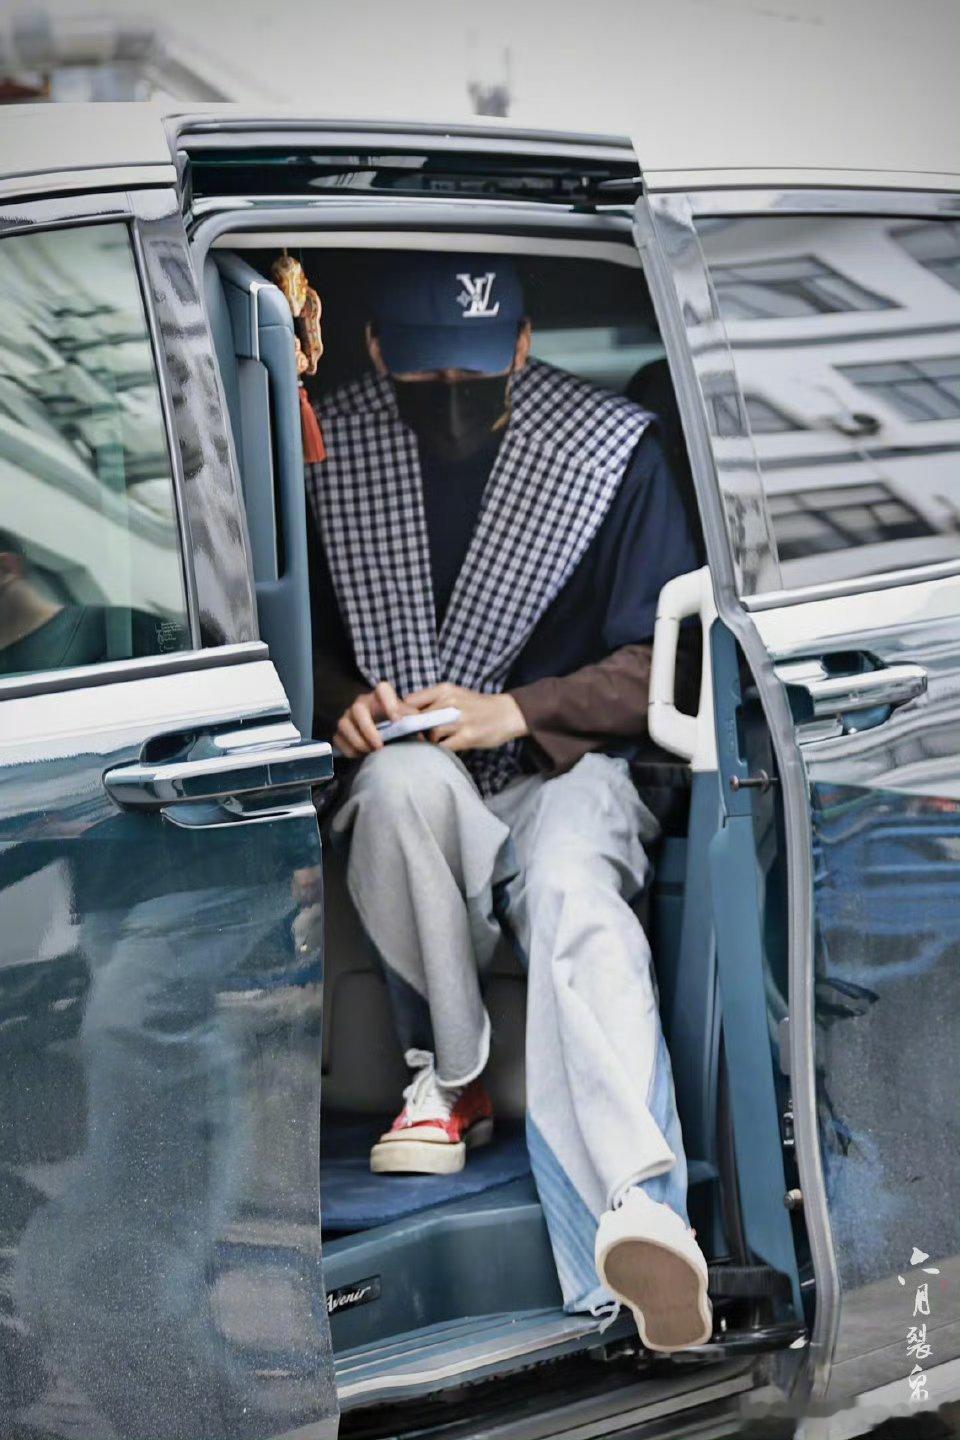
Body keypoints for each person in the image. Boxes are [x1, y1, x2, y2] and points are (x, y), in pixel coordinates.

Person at [306, 254, 711, 1351]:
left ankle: (640, 1211)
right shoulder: (330, 446)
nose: (453, 392)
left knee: (578, 894)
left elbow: (668, 658)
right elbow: (282, 630)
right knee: (392, 787)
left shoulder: (607, 449)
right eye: (426, 372)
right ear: (376, 351)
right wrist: (343, 701)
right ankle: (454, 1081)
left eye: (477, 370)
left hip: (568, 768)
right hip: (421, 772)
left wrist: (518, 710)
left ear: (523, 346)